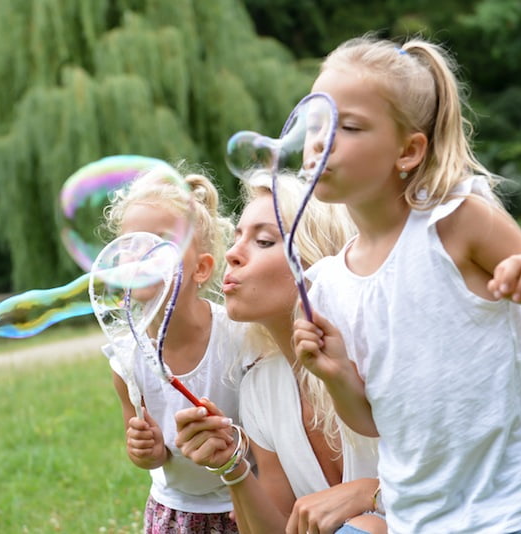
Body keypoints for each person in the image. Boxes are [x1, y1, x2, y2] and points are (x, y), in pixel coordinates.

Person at [292, 34, 521, 533]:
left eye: (348, 127)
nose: (321, 142)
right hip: (420, 516)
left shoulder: (455, 223)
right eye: (314, 125)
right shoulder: (328, 282)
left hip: (506, 510)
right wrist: (336, 376)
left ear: (408, 151)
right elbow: (373, 421)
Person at [174, 171, 387, 534]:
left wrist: (372, 494)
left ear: (315, 259)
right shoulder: (262, 385)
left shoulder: (375, 360)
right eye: (238, 237)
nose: (232, 254)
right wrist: (232, 467)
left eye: (263, 241)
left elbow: (462, 476)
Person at [101, 165, 248, 533]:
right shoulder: (125, 360)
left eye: (160, 243)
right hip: (176, 512)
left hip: (243, 502)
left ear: (201, 268)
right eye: (130, 245)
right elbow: (153, 455)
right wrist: (146, 451)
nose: (142, 256)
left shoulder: (237, 337)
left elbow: (272, 438)